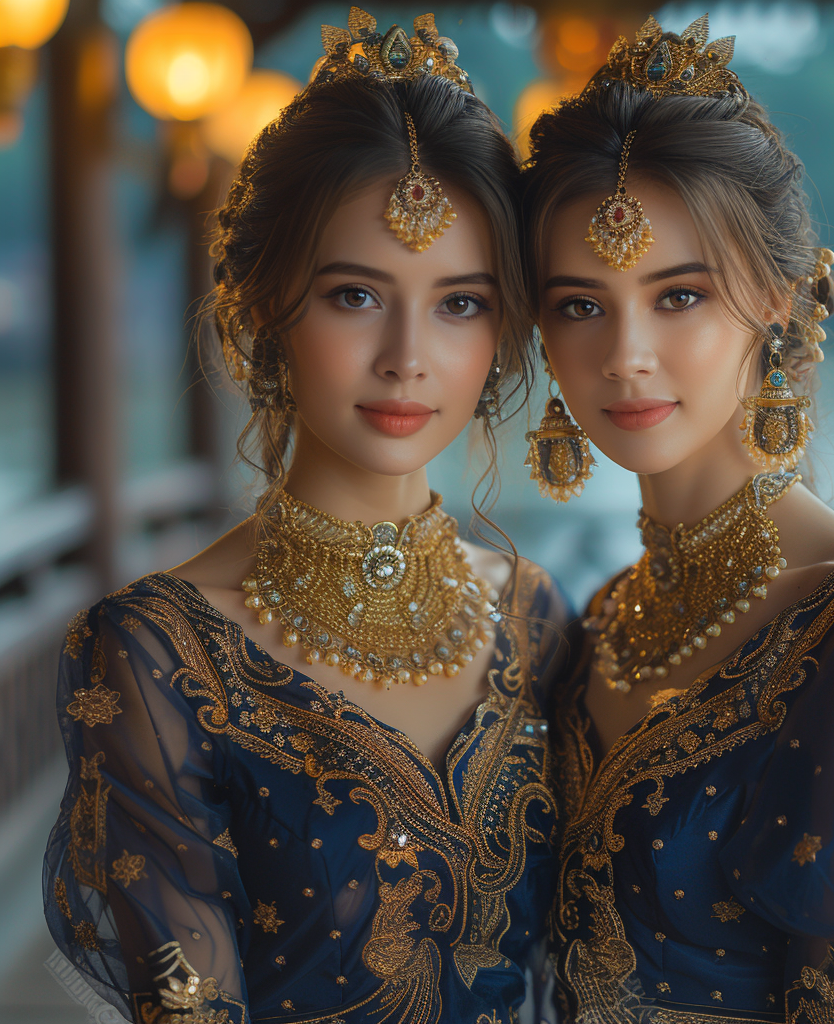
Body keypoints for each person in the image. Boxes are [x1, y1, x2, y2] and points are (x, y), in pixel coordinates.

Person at [44, 10, 571, 1023]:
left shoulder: (533, 619)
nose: (407, 356)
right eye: (354, 295)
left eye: (459, 302)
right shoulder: (160, 650)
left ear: (504, 326)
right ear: (259, 307)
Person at [521, 14, 834, 1023]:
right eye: (579, 304)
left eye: (679, 296)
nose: (623, 354)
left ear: (779, 301)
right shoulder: (605, 618)